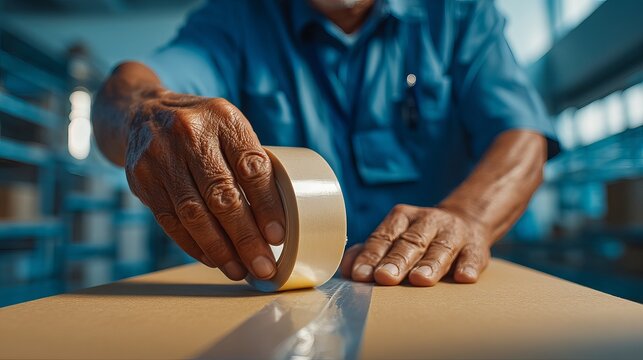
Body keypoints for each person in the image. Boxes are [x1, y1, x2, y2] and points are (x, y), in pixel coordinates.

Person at [93, 0, 559, 287]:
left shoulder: (457, 13)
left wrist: (469, 216)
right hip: (284, 288)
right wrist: (143, 113)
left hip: (427, 282)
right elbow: (129, 88)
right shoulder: (237, 18)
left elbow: (521, 133)